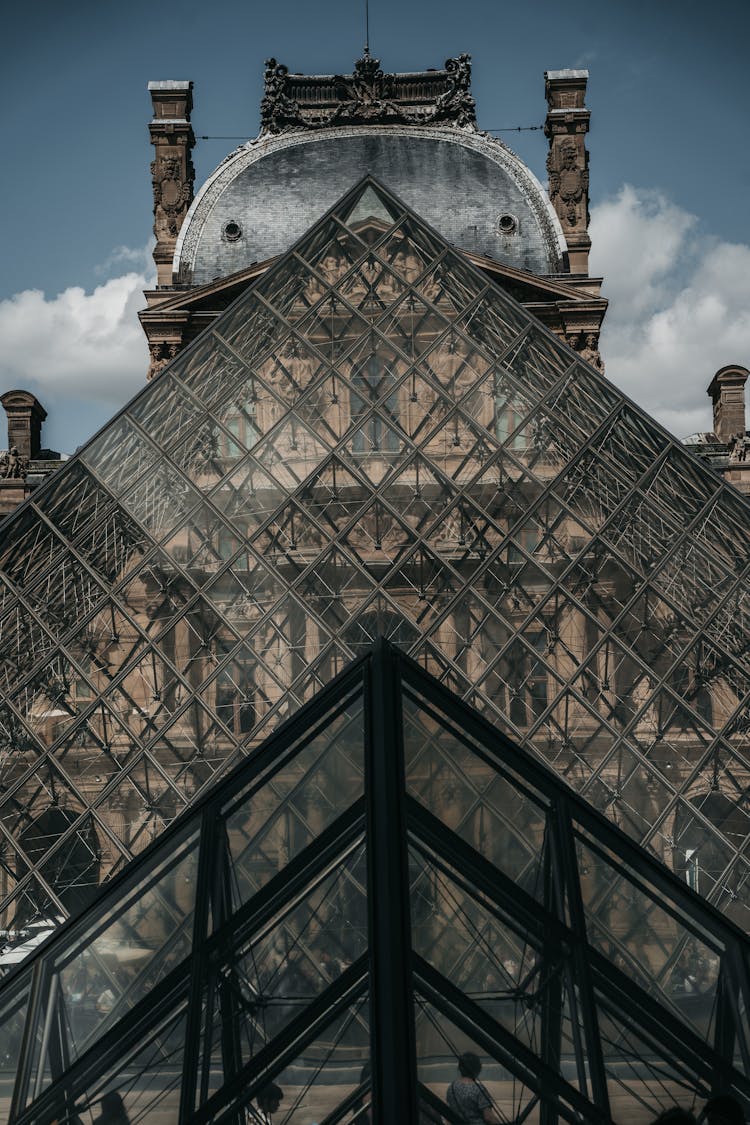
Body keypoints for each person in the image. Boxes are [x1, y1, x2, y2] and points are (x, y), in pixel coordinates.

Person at [446, 1053, 501, 1124]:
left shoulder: (451, 1087)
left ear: (459, 1068)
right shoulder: (478, 1089)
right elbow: (488, 1117)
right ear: (477, 1068)